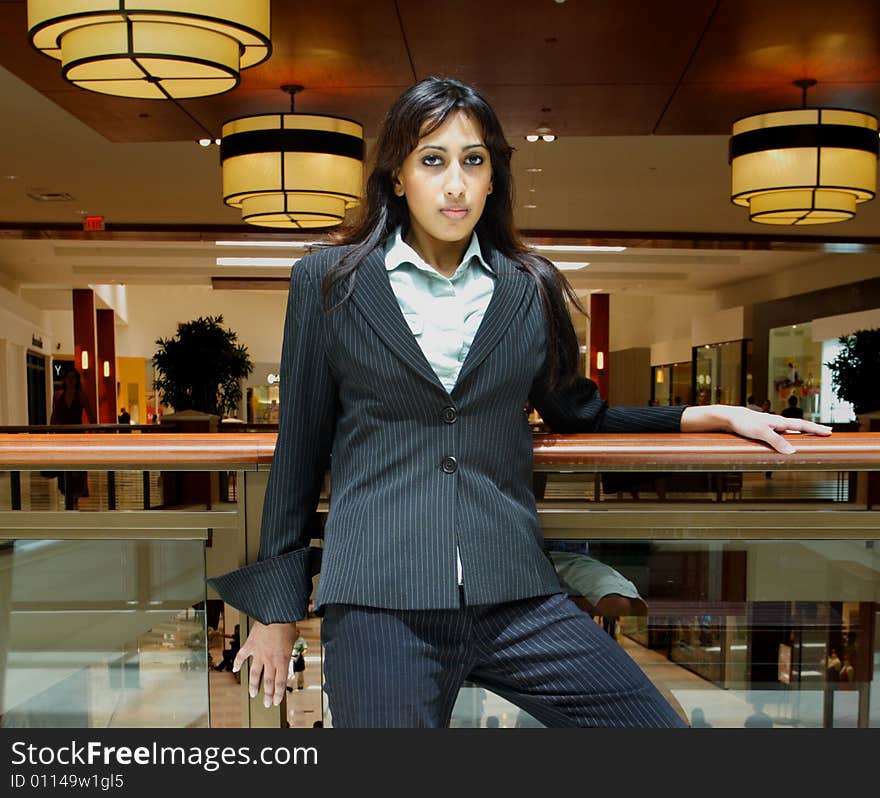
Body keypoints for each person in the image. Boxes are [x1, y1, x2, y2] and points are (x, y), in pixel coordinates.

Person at [206, 77, 832, 728]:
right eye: (432, 159)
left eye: (473, 161)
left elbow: (579, 414)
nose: (455, 183)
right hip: (378, 600)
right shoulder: (328, 282)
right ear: (396, 177)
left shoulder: (529, 289)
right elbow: (299, 449)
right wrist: (275, 615)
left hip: (514, 592)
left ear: (493, 178)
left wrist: (711, 414)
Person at [49, 366, 97, 509]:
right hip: (61, 437)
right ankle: (67, 495)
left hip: (77, 437)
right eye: (68, 377)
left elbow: (90, 414)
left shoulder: (81, 395)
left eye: (73, 378)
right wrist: (50, 432)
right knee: (64, 467)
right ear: (64, 379)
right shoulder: (58, 395)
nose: (70, 380)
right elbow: (54, 415)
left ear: (76, 380)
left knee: (77, 467)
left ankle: (75, 496)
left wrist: (93, 432)